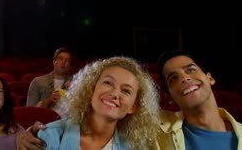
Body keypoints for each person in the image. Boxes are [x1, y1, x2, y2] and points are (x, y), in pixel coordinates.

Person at [156, 50, 242, 150]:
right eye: (173, 79)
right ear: (170, 97)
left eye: (190, 70)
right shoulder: (156, 134)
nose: (184, 78)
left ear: (210, 78)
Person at [29, 56, 160, 150]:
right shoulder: (50, 136)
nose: (114, 93)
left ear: (133, 106)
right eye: (108, 83)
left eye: (126, 91)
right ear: (91, 89)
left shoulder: (136, 146)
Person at [26, 47, 73, 114]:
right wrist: (47, 101)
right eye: (60, 58)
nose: (63, 62)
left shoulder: (75, 83)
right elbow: (28, 111)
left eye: (67, 60)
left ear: (69, 66)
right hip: (44, 121)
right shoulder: (37, 82)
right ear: (54, 62)